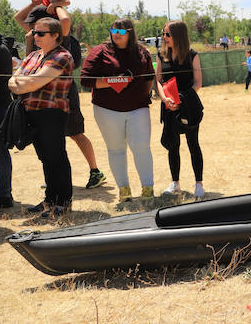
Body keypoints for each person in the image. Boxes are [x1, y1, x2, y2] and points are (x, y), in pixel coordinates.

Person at [15, 0, 106, 190]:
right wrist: (33, 3)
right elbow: (18, 17)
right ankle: (53, 182)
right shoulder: (36, 38)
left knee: (75, 133)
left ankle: (95, 170)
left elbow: (64, 22)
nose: (32, 29)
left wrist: (57, 5)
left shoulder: (60, 37)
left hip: (61, 94)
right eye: (33, 27)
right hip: (38, 98)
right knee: (47, 143)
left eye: (38, 28)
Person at [80, 18, 155, 201]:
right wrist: (110, 81)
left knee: (141, 147)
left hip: (138, 108)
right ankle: (124, 189)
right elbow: (85, 80)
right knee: (116, 149)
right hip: (107, 109)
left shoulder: (142, 51)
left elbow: (149, 78)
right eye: (113, 31)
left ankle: (147, 188)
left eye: (121, 32)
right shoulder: (100, 51)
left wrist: (144, 96)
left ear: (130, 33)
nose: (116, 35)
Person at [8, 17, 74, 218]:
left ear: (55, 35)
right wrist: (21, 82)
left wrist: (21, 83)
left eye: (41, 33)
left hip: (51, 113)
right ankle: (50, 200)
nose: (35, 36)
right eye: (34, 32)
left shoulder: (62, 56)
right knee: (45, 158)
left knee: (56, 157)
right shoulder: (33, 55)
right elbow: (12, 80)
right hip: (31, 112)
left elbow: (34, 83)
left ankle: (63, 202)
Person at [155, 21, 205, 199]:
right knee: (173, 146)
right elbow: (159, 81)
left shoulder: (192, 55)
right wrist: (165, 99)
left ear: (178, 35)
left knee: (193, 144)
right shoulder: (161, 56)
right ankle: (175, 183)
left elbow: (198, 82)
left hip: (189, 106)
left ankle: (199, 184)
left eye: (168, 34)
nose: (164, 37)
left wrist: (182, 100)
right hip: (169, 106)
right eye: (163, 34)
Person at [0, 32, 14, 208]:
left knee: (0, 153)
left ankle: (3, 194)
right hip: (1, 106)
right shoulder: (2, 48)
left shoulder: (0, 50)